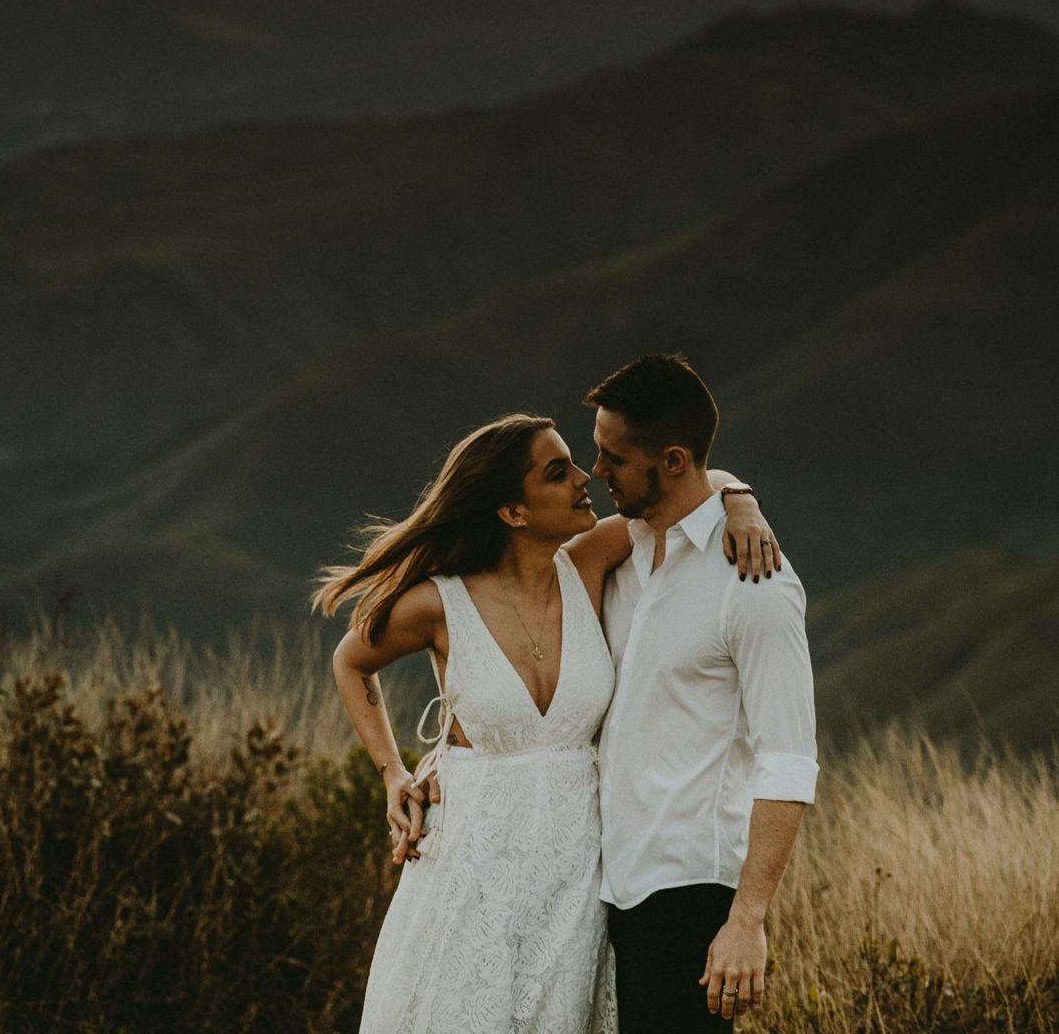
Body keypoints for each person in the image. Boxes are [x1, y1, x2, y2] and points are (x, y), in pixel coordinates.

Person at [314, 411, 777, 1034]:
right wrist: (393, 772)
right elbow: (351, 661)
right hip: (470, 871)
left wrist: (742, 503)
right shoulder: (439, 603)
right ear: (513, 512)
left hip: (576, 877)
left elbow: (693, 481)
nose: (586, 477)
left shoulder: (589, 563)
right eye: (559, 473)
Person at [588, 354, 818, 1031]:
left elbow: (788, 759)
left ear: (674, 460)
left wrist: (745, 921)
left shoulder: (756, 584)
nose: (596, 470)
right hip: (608, 885)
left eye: (613, 457)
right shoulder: (621, 548)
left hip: (689, 890)